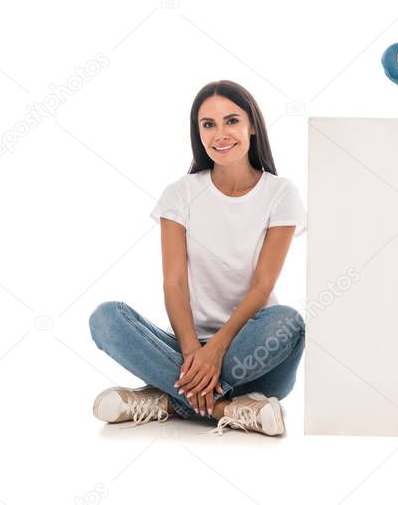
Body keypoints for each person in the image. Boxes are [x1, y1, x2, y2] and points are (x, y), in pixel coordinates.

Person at [88, 80, 306, 437]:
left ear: (252, 125)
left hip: (252, 352)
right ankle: (228, 408)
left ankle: (166, 399)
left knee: (289, 323)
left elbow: (262, 285)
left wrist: (216, 350)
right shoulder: (181, 193)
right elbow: (173, 284)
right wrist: (194, 350)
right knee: (107, 318)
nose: (220, 134)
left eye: (231, 121)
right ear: (199, 133)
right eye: (208, 124)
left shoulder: (280, 193)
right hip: (188, 345)